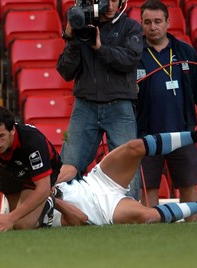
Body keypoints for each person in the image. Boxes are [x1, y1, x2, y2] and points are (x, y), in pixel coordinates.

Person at [52, 109, 197, 226]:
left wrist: (51, 180)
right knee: (147, 216)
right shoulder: (35, 215)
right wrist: (53, 199)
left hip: (96, 181)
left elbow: (71, 169)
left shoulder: (34, 178)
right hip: (104, 211)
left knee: (133, 148)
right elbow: (80, 219)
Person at [136, 0, 197, 221]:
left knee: (188, 184)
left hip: (183, 133)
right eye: (147, 22)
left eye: (158, 21)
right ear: (141, 24)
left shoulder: (185, 51)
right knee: (148, 187)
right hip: (147, 135)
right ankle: (151, 233)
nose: (153, 27)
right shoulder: (134, 54)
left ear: (168, 22)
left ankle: (191, 231)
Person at [56, 0, 143, 200]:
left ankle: (129, 215)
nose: (109, 5)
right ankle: (66, 212)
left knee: (127, 163)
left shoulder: (131, 27)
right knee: (68, 163)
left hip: (120, 103)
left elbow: (129, 61)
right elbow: (65, 71)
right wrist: (71, 38)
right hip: (85, 103)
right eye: (104, 0)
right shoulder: (82, 26)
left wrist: (100, 48)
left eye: (114, 0)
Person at [0, 106, 62, 231]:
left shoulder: (32, 140)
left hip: (38, 175)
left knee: (22, 225)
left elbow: (42, 188)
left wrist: (11, 218)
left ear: (12, 130)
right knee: (4, 219)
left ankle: (49, 201)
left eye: (1, 136)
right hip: (10, 169)